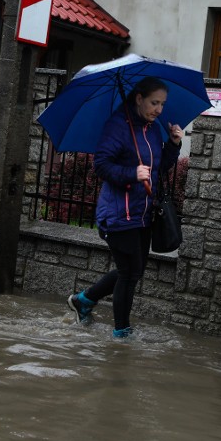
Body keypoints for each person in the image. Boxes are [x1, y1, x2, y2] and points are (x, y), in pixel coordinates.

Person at [67, 76, 184, 337]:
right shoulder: (117, 127)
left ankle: (83, 300)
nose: (159, 110)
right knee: (129, 274)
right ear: (139, 99)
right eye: (154, 102)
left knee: (133, 271)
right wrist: (132, 173)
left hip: (142, 214)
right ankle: (121, 333)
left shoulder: (153, 129)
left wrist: (174, 145)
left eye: (163, 104)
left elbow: (157, 167)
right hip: (118, 214)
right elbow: (101, 165)